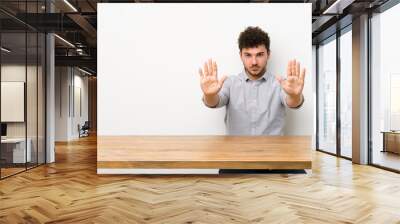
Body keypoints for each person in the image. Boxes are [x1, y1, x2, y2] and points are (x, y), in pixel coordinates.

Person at [199, 26, 306, 135]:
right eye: (248, 55)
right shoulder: (230, 83)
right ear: (240, 55)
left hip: (273, 150)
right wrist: (209, 95)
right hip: (236, 150)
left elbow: (292, 102)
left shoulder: (281, 84)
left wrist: (295, 96)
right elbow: (215, 101)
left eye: (259, 55)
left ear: (268, 54)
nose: (254, 62)